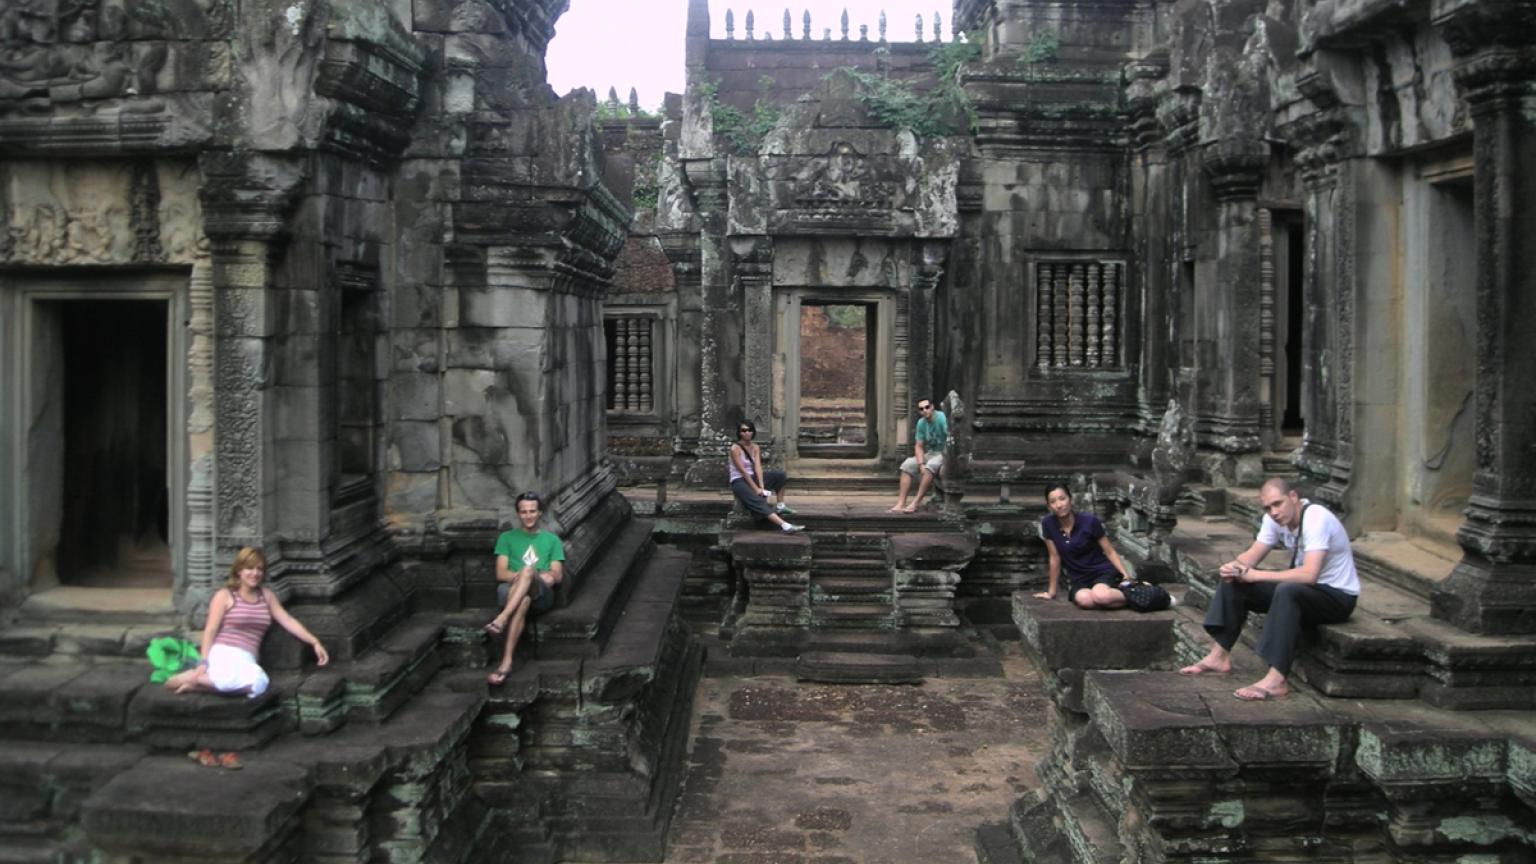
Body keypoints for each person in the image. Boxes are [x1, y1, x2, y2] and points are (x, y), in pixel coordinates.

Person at [1179, 477, 1360, 701]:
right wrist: (1234, 567)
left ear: (1293, 497)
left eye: (1278, 503)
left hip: (1337, 597)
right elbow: (1252, 556)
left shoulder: (1316, 518)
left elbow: (1309, 575)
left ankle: (1276, 679)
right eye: (1268, 507)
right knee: (1236, 580)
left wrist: (1255, 575)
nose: (1274, 512)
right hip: (1307, 592)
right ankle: (1219, 656)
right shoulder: (1273, 520)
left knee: (1287, 591)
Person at [165, 547, 329, 697]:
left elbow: (288, 620)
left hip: (247, 658)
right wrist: (203, 662)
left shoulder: (267, 596)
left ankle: (197, 684)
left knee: (259, 684)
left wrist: (314, 641)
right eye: (250, 568)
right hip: (224, 652)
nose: (255, 573)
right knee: (176, 682)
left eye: (259, 569)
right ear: (239, 571)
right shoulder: (225, 595)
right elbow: (210, 630)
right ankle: (200, 678)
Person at [485, 492, 566, 685]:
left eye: (532, 511)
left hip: (542, 593)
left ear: (539, 513)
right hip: (511, 590)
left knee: (528, 571)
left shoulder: (551, 540)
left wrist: (543, 577)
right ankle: (506, 662)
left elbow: (557, 574)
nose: (528, 516)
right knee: (524, 599)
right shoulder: (506, 538)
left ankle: (501, 619)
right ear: (518, 514)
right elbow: (500, 573)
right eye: (524, 512)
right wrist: (523, 578)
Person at [1031, 483, 1134, 609]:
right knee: (1084, 600)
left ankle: (1132, 593)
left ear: (1070, 499)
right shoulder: (1048, 524)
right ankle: (1110, 599)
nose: (1059, 505)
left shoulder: (1089, 521)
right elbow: (1054, 558)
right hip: (1079, 579)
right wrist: (1051, 592)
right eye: (1053, 502)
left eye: (1062, 499)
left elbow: (1109, 551)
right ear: (1049, 506)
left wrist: (1125, 575)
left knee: (1101, 596)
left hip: (1101, 572)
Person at [729, 419, 804, 533]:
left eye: (749, 430)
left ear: (753, 432)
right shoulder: (735, 448)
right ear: (739, 433)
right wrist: (756, 489)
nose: (747, 433)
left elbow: (758, 467)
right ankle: (785, 526)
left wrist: (762, 486)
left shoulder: (755, 447)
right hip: (739, 481)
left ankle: (780, 505)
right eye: (743, 430)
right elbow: (743, 471)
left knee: (779, 475)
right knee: (757, 501)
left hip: (752, 477)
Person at [889, 397, 947, 513]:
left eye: (927, 407)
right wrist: (920, 463)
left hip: (945, 453)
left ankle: (915, 502)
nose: (925, 410)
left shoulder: (941, 418)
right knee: (907, 465)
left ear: (932, 407)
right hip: (931, 453)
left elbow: (951, 438)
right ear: (919, 412)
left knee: (931, 465)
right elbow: (918, 446)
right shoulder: (921, 423)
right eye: (921, 409)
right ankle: (901, 503)